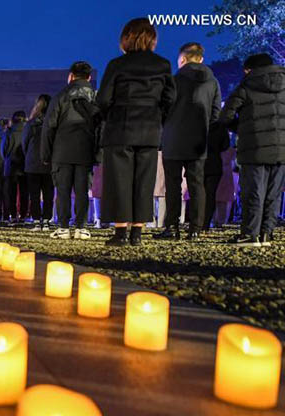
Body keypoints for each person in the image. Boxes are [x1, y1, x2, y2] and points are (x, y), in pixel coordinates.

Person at [96, 18, 176, 246]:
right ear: (152, 39)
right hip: (149, 129)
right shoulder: (163, 65)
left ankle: (120, 232)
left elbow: (103, 99)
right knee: (144, 179)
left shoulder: (117, 65)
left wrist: (107, 116)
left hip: (120, 128)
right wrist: (158, 117)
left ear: (126, 38)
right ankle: (137, 233)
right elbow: (170, 98)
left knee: (119, 180)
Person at [156, 42, 221, 241]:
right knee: (197, 184)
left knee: (173, 185)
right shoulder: (212, 82)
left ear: (182, 59)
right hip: (198, 139)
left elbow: (162, 108)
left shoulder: (173, 80)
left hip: (173, 138)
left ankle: (172, 227)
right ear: (201, 59)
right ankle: (195, 228)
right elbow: (215, 113)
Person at [219, 53, 285, 247]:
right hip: (281, 147)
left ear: (249, 69)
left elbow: (225, 116)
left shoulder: (247, 85)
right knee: (274, 192)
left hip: (253, 147)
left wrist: (242, 127)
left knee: (253, 191)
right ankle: (266, 234)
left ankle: (250, 234)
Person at [41, 61, 100, 240]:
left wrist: (46, 154)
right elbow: (101, 126)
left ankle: (64, 227)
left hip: (62, 151)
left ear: (71, 76)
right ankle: (81, 227)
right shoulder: (95, 97)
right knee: (82, 190)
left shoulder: (60, 96)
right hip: (86, 150)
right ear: (89, 77)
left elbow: (49, 126)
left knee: (63, 190)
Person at [23, 94, 54, 231]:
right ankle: (47, 220)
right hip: (49, 162)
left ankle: (36, 221)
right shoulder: (53, 122)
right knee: (48, 194)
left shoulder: (31, 123)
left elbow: (24, 143)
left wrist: (29, 155)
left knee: (34, 194)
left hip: (32, 162)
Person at [203, 123, 231, 230]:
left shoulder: (197, 123)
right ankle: (206, 223)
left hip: (199, 162)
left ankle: (197, 222)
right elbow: (226, 145)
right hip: (214, 163)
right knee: (211, 195)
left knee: (198, 194)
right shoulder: (220, 126)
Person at [2, 110, 27, 223]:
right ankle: (23, 215)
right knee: (24, 192)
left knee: (11, 193)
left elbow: (3, 150)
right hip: (25, 165)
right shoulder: (28, 130)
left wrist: (7, 158)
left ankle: (13, 215)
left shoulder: (8, 132)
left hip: (10, 165)